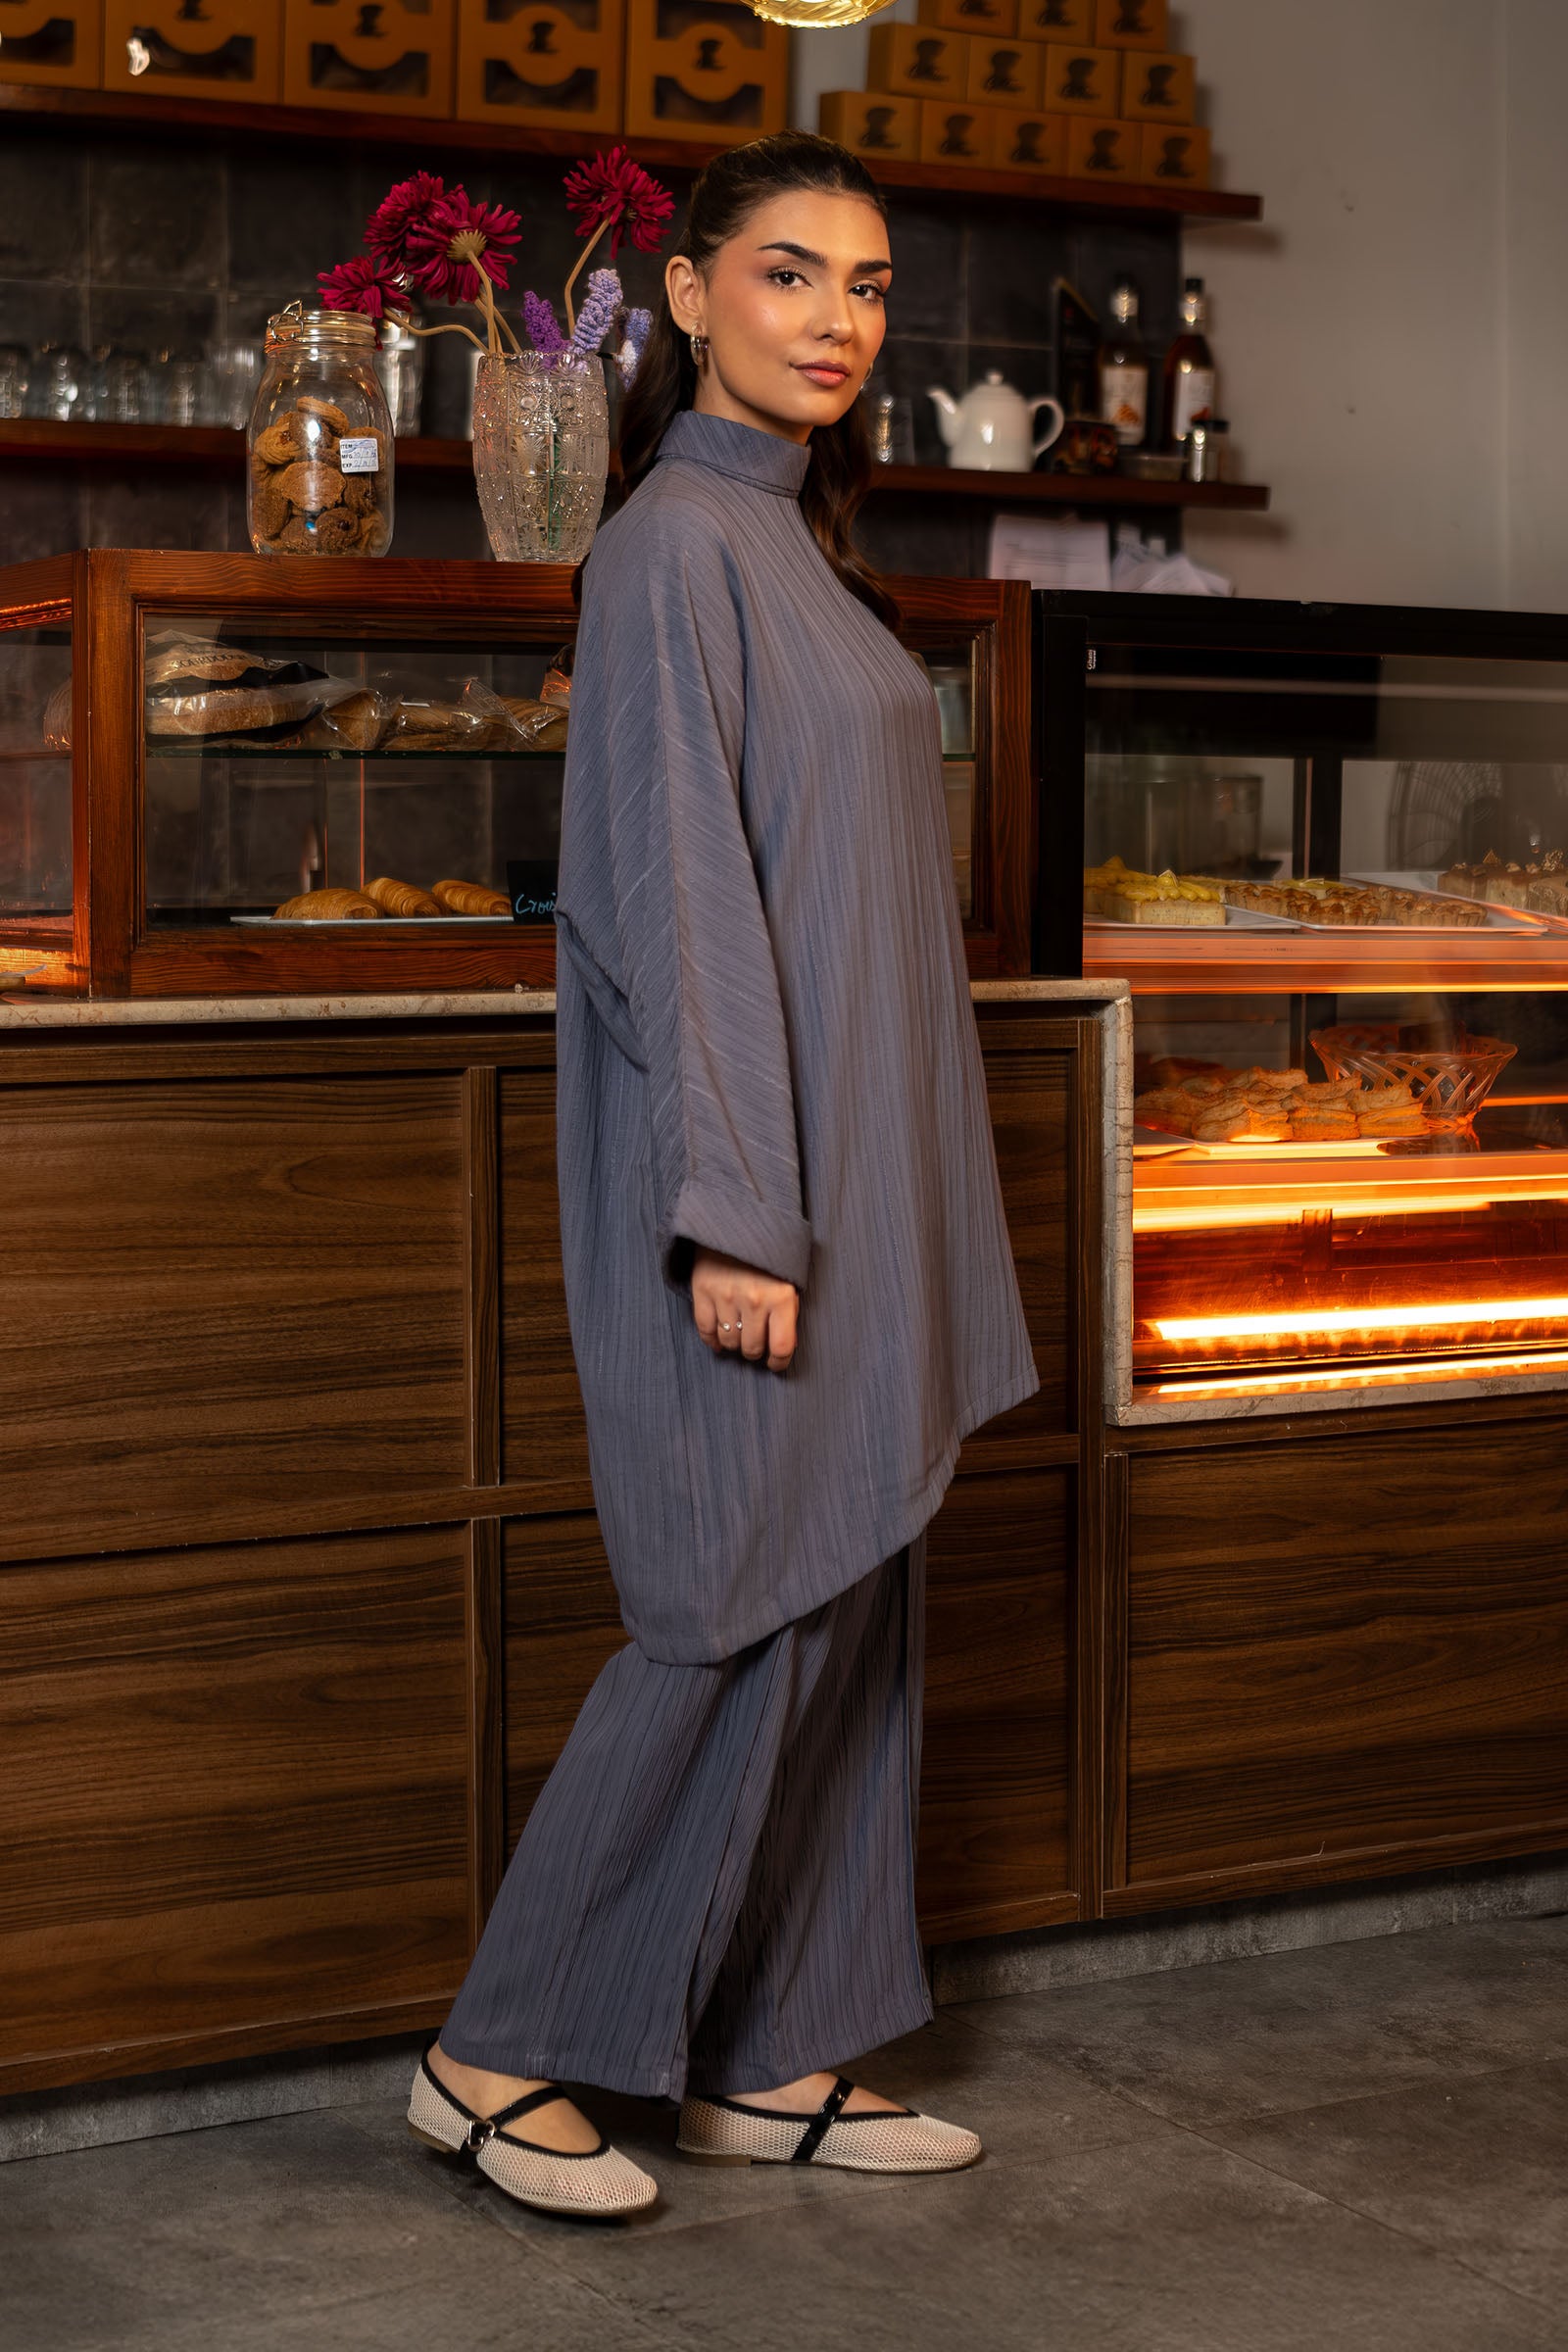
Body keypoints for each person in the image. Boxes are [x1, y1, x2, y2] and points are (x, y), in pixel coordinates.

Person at [405, 129, 1040, 2221]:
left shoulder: (793, 546)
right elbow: (675, 910)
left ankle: (769, 2052)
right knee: (729, 1605)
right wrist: (736, 1213)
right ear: (684, 295)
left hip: (866, 1184)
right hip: (755, 1194)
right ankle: (493, 2052)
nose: (837, 321)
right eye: (789, 274)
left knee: (851, 1595)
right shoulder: (671, 545)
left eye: (868, 286)